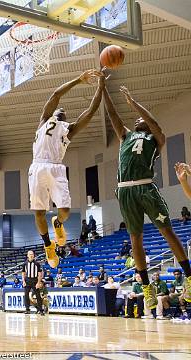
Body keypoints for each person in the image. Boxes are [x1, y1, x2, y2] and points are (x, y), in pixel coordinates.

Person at [103, 81, 191, 309]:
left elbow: (154, 123)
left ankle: (189, 277)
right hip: (125, 191)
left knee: (167, 231)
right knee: (135, 239)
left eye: (141, 120)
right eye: (136, 119)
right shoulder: (125, 136)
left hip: (146, 188)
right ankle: (145, 286)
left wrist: (133, 104)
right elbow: (112, 114)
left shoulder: (156, 138)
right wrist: (102, 87)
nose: (137, 121)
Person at [28, 70, 104, 268]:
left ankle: (58, 224)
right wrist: (79, 79)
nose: (60, 109)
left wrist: (101, 87)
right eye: (57, 109)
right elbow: (56, 95)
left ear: (64, 118)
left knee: (65, 211)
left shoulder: (68, 129)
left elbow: (90, 111)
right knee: (38, 212)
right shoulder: (44, 120)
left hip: (56, 167)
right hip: (37, 166)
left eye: (63, 111)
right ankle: (47, 245)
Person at [22, 250, 44, 315]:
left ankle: (40, 310)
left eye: (32, 254)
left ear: (34, 255)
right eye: (30, 254)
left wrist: (38, 282)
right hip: (27, 280)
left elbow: (40, 274)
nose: (31, 255)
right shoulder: (25, 264)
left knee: (38, 295)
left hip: (35, 281)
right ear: (27, 255)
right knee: (26, 295)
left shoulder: (37, 264)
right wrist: (23, 281)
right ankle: (27, 309)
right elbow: (23, 273)